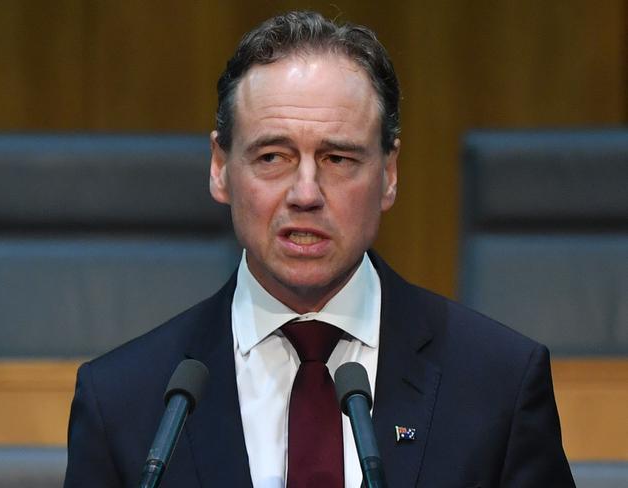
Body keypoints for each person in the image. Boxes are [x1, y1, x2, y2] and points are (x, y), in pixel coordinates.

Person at [64, 10, 575, 488]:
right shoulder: (122, 401)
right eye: (272, 156)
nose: (305, 194)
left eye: (337, 159)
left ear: (389, 174)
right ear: (220, 167)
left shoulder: (498, 384)